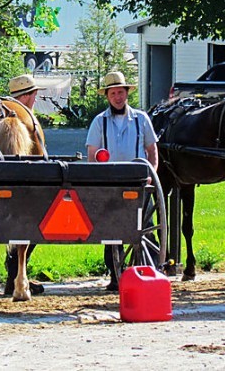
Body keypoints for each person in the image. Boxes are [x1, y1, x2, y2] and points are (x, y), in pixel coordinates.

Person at [85, 71, 158, 291]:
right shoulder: (99, 122)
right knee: (111, 230)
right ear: (107, 96)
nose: (117, 97)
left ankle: (150, 272)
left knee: (145, 228)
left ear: (127, 94)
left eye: (120, 92)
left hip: (138, 182)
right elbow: (92, 155)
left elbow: (152, 150)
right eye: (113, 93)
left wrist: (151, 174)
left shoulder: (141, 119)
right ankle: (115, 274)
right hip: (111, 184)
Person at [4, 73, 46, 296]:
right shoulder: (31, 121)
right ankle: (17, 274)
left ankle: (14, 274)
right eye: (33, 95)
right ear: (30, 96)